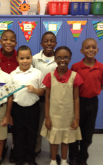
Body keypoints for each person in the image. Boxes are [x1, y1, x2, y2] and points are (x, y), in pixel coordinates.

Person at [40, 46, 83, 165]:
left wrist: (76, 118)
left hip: (68, 115)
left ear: (70, 59)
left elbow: (76, 98)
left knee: (65, 140)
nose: (62, 60)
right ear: (54, 59)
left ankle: (64, 161)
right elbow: (47, 97)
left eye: (66, 57)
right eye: (59, 57)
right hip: (54, 115)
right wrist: (47, 117)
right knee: (54, 140)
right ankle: (53, 160)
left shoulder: (75, 76)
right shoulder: (49, 76)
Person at [69, 38, 103, 165]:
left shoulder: (102, 68)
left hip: (92, 102)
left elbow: (102, 85)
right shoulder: (75, 67)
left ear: (97, 49)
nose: (90, 50)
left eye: (93, 47)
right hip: (78, 101)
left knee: (88, 132)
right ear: (81, 50)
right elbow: (72, 86)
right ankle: (73, 157)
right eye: (87, 47)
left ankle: (82, 157)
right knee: (74, 129)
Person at [10, 45, 45, 165]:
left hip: (33, 108)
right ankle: (20, 158)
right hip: (17, 109)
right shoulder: (12, 74)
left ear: (31, 58)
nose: (25, 61)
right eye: (22, 58)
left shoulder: (37, 73)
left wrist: (35, 90)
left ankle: (30, 158)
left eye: (28, 58)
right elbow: (9, 94)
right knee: (18, 135)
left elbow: (43, 90)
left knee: (32, 134)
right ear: (17, 59)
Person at [32, 31, 60, 162]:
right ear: (41, 43)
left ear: (55, 43)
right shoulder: (35, 58)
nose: (49, 43)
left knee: (55, 127)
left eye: (52, 41)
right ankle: (36, 148)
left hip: (55, 100)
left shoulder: (59, 58)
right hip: (39, 100)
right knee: (37, 126)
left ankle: (54, 152)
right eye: (46, 41)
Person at [0, 29, 18, 162]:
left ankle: (14, 148)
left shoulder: (20, 57)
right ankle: (2, 145)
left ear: (16, 43)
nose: (8, 42)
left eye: (11, 40)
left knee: (16, 126)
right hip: (1, 99)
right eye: (5, 39)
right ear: (0, 41)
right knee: (2, 125)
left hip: (17, 99)